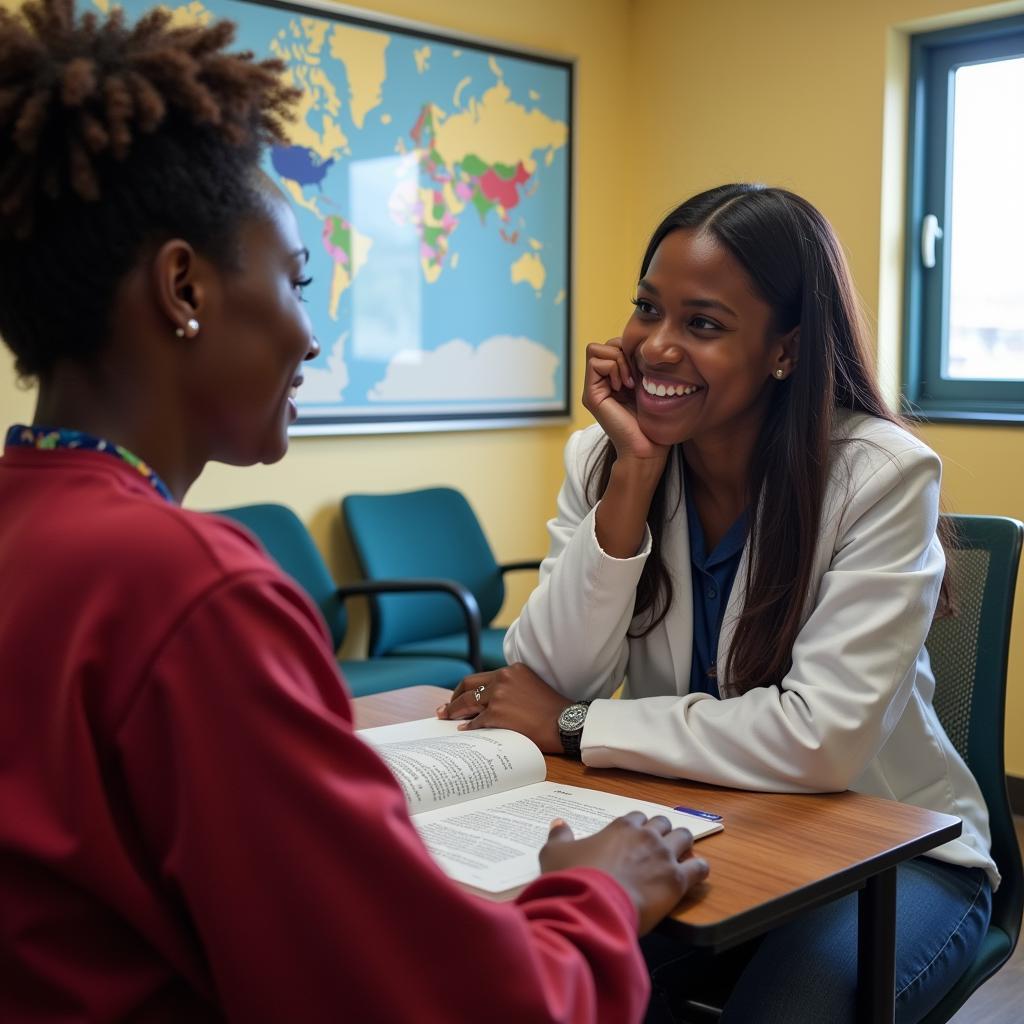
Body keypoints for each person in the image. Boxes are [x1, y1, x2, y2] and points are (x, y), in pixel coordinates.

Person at [0, 2, 710, 1021]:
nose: (313, 337)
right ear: (183, 287)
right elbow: (448, 1002)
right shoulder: (190, 591)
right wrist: (602, 886)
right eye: (295, 279)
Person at [438, 184, 998, 1022]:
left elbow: (822, 742)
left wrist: (577, 724)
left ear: (786, 349)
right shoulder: (606, 453)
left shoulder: (880, 475)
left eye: (702, 324)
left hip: (892, 850)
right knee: (527, 976)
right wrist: (630, 477)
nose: (657, 347)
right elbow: (548, 675)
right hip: (702, 823)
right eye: (646, 309)